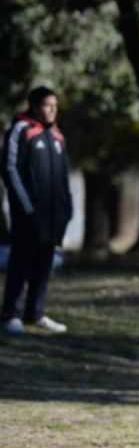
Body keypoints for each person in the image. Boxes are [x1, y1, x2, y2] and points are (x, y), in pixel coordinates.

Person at [1, 86, 73, 335]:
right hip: (28, 214)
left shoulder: (56, 136)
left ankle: (36, 312)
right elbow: (11, 170)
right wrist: (28, 208)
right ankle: (11, 314)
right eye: (47, 105)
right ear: (33, 106)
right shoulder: (20, 131)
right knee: (21, 261)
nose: (52, 109)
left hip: (53, 215)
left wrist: (67, 206)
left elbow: (64, 175)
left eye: (55, 104)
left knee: (44, 262)